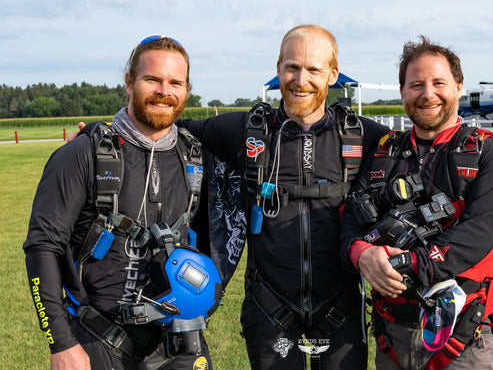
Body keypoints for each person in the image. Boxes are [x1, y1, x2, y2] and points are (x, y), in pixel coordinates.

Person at [178, 24, 390, 369]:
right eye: (292, 67)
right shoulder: (246, 131)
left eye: (313, 70)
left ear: (332, 75)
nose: (301, 79)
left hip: (340, 310)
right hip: (270, 308)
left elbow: (423, 149)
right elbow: (167, 126)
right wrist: (100, 135)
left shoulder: (360, 135)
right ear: (278, 68)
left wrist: (485, 146)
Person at [23, 35, 232, 370]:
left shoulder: (197, 158)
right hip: (98, 336)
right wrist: (61, 343)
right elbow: (42, 246)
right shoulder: (82, 154)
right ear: (129, 81)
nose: (165, 90)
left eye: (175, 82)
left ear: (187, 89)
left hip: (178, 337)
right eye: (153, 79)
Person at [340, 36, 493, 369]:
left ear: (459, 87)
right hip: (391, 337)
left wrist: (403, 264)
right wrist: (361, 254)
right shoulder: (383, 154)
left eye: (439, 83)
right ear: (402, 93)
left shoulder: (488, 155)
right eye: (416, 85)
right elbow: (350, 223)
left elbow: (477, 236)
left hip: (462, 339)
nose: (427, 94)